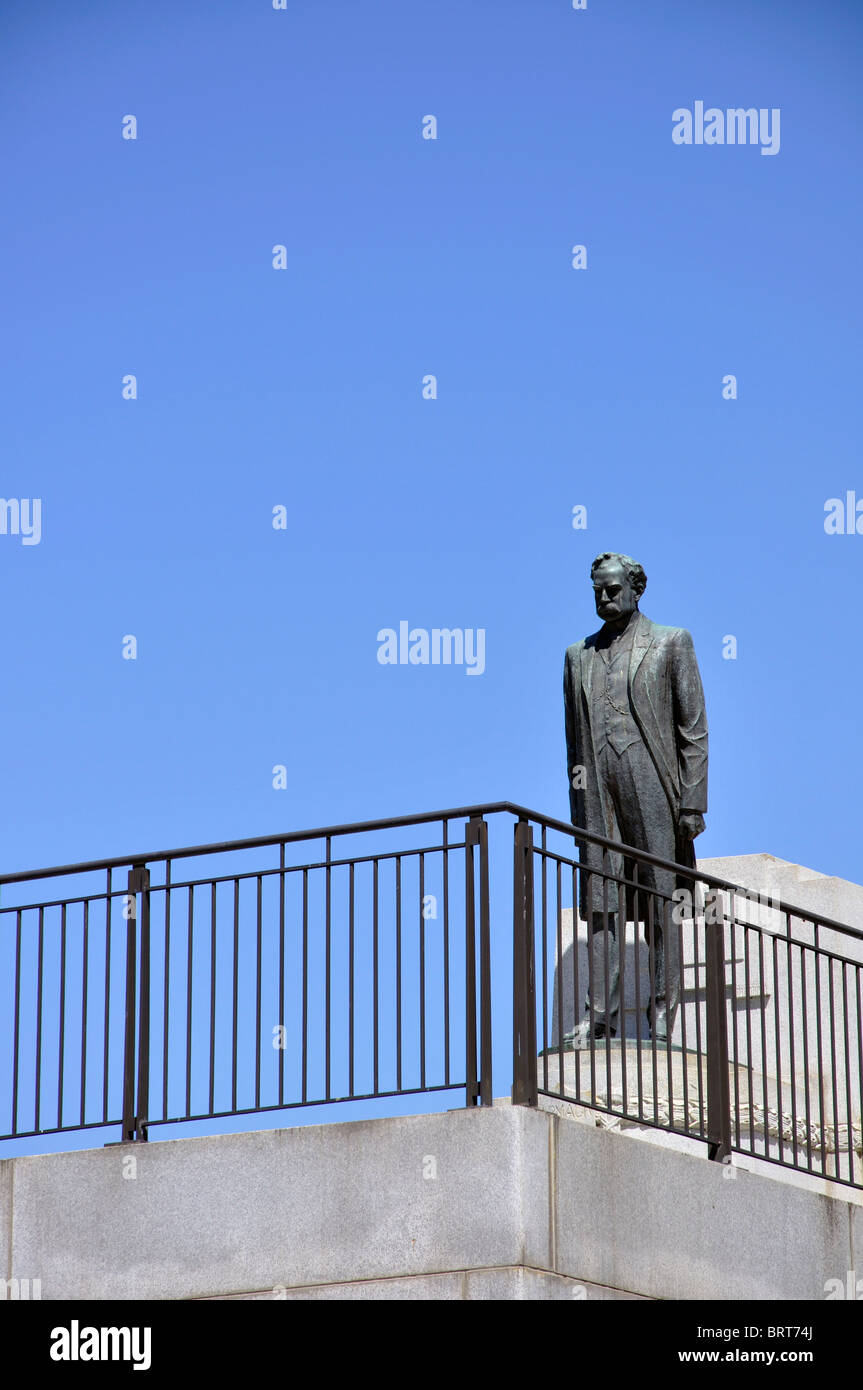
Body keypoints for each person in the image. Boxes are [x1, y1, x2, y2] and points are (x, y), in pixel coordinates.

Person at [562, 551, 708, 1046]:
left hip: (652, 782)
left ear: (636, 589)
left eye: (613, 588)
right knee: (602, 898)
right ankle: (598, 1012)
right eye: (597, 589)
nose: (604, 596)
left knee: (660, 894)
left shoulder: (670, 643)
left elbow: (693, 730)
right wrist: (579, 803)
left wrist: (692, 802)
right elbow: (572, 741)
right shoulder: (576, 657)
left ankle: (664, 1009)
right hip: (598, 786)